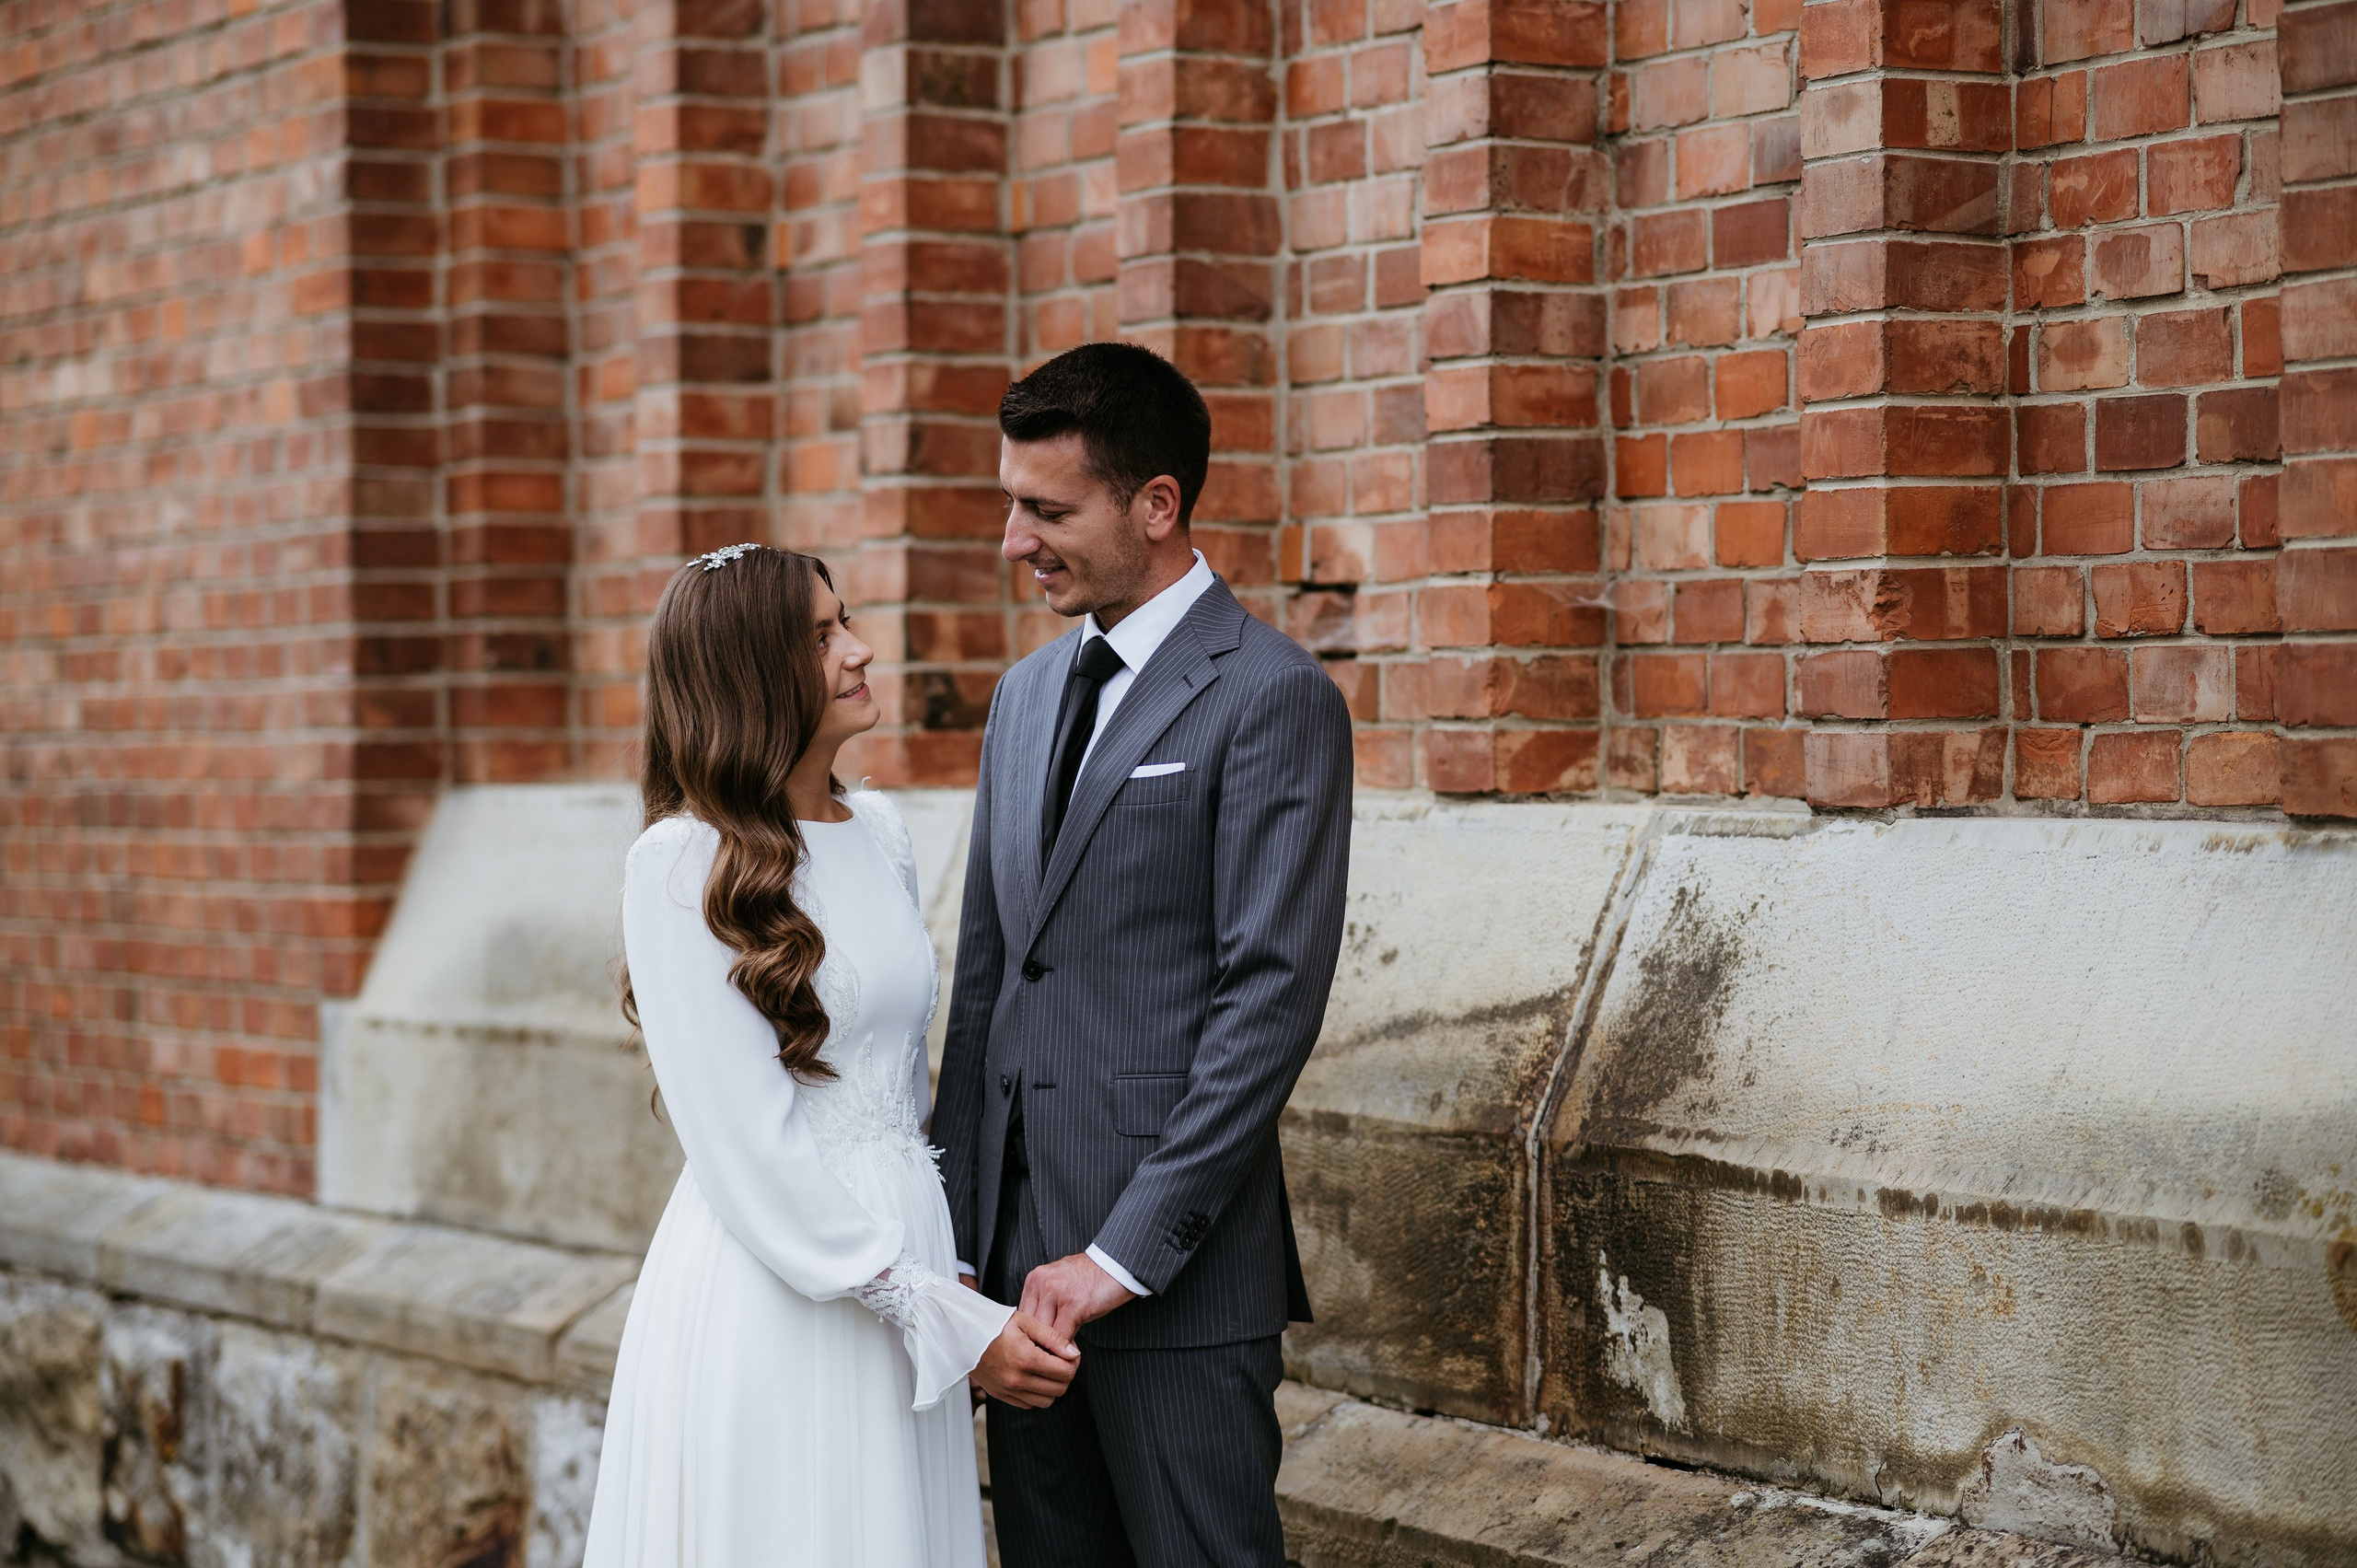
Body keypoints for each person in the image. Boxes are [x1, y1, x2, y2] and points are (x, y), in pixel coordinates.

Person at [933, 342, 1356, 1568]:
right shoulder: (1019, 698)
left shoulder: (1272, 694)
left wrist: (1122, 1251)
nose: (1017, 538)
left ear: (1157, 503)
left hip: (1170, 1282)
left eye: (1049, 509)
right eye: (1014, 504)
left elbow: (1269, 998)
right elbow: (986, 988)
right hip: (1019, 1290)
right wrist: (961, 1247)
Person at [584, 544, 1080, 1566]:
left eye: (843, 619)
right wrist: (933, 1308)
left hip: (912, 1259)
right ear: (749, 674)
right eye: (818, 637)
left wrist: (948, 1280)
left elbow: (906, 1081)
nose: (858, 648)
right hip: (783, 1280)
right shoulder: (680, 862)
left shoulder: (883, 831)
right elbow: (746, 1146)